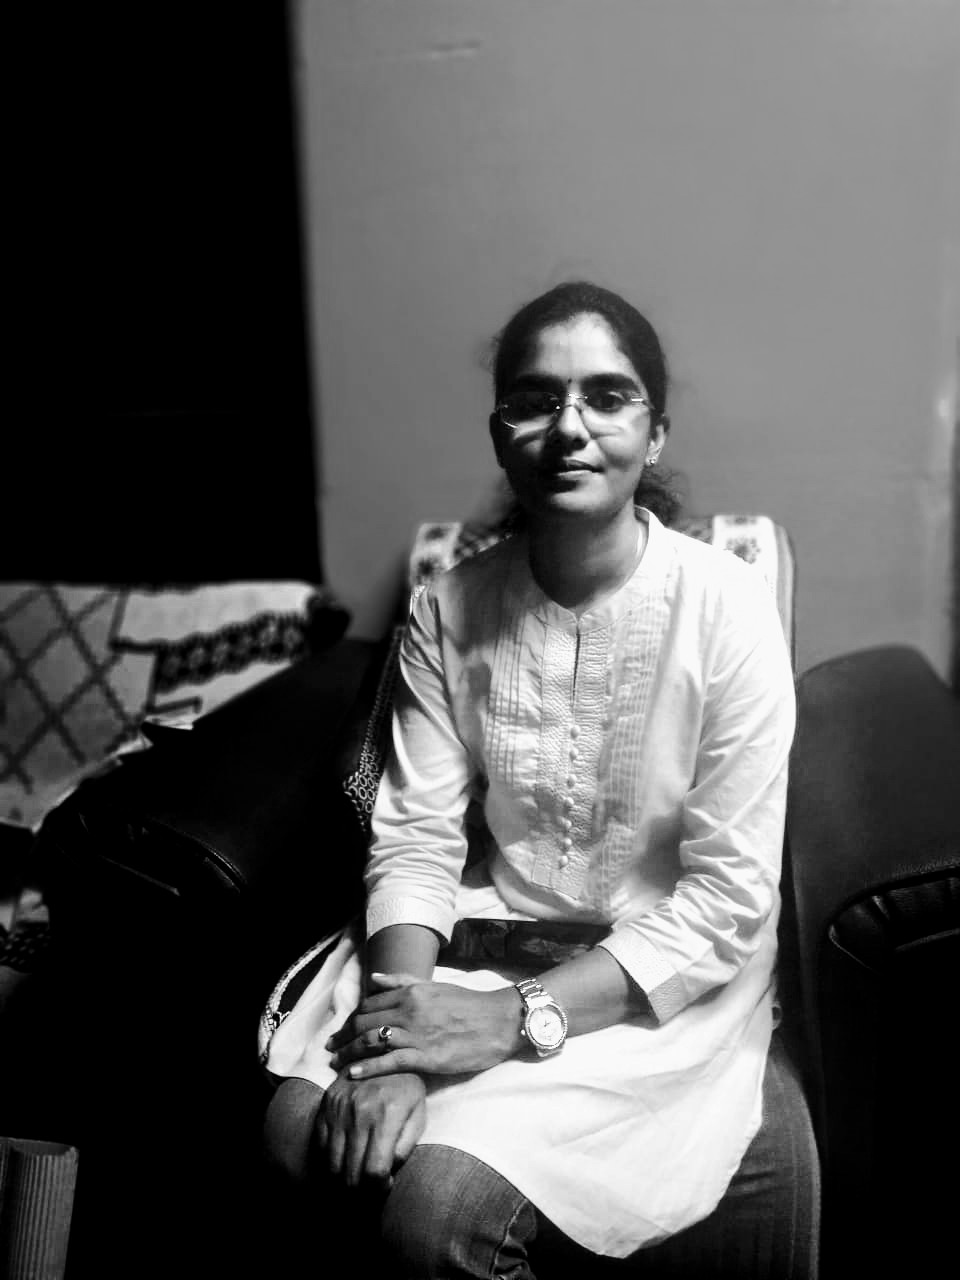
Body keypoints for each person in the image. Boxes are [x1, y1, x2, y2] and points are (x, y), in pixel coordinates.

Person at [262, 281, 819, 1277]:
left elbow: (729, 899)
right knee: (295, 1131)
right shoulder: (448, 606)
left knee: (437, 1209)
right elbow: (418, 837)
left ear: (654, 433)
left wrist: (507, 1020)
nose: (569, 427)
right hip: (486, 933)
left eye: (607, 396)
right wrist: (397, 1038)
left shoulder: (728, 609)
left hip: (650, 978)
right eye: (534, 400)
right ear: (499, 432)